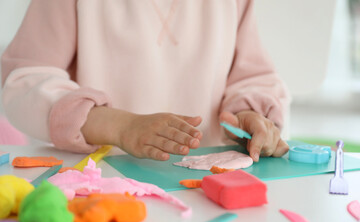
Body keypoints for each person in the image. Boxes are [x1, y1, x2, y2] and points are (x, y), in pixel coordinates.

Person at [1, 0, 290, 162]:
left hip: (207, 186)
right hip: (95, 183)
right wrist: (117, 126)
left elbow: (253, 77)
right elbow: (23, 81)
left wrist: (250, 118)